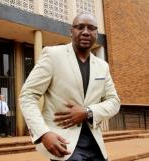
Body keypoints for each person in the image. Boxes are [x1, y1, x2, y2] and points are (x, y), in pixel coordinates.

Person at [19, 13, 120, 161]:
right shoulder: (52, 55)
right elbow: (27, 95)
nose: (85, 31)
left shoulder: (102, 66)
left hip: (95, 146)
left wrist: (88, 112)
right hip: (64, 145)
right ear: (71, 31)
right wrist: (43, 133)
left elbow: (114, 101)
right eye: (80, 27)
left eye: (91, 28)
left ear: (96, 34)